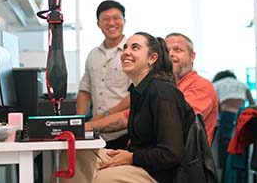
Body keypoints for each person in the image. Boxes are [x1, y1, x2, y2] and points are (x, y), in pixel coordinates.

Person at [61, 32, 195, 183]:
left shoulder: (162, 92)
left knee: (102, 178)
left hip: (159, 174)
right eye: (125, 47)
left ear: (152, 58)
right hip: (139, 161)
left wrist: (132, 157)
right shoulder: (139, 91)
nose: (126, 52)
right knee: (73, 153)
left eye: (135, 48)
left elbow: (172, 153)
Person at [86, 32, 219, 145]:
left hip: (176, 168)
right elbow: (125, 117)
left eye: (178, 50)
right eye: (167, 51)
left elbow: (173, 122)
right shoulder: (163, 85)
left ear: (192, 56)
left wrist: (132, 157)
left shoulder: (201, 87)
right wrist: (86, 126)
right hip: (143, 156)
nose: (171, 54)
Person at [76, 0, 130, 149]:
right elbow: (84, 90)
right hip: (97, 132)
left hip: (124, 132)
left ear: (124, 21)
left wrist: (106, 115)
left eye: (116, 18)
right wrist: (79, 122)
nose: (111, 23)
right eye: (105, 19)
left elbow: (135, 94)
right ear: (98, 24)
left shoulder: (131, 53)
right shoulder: (93, 54)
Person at [212, 70, 254, 181]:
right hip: (242, 118)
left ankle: (226, 178)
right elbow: (252, 104)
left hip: (227, 117)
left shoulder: (217, 84)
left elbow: (214, 106)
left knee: (226, 151)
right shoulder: (242, 84)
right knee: (239, 149)